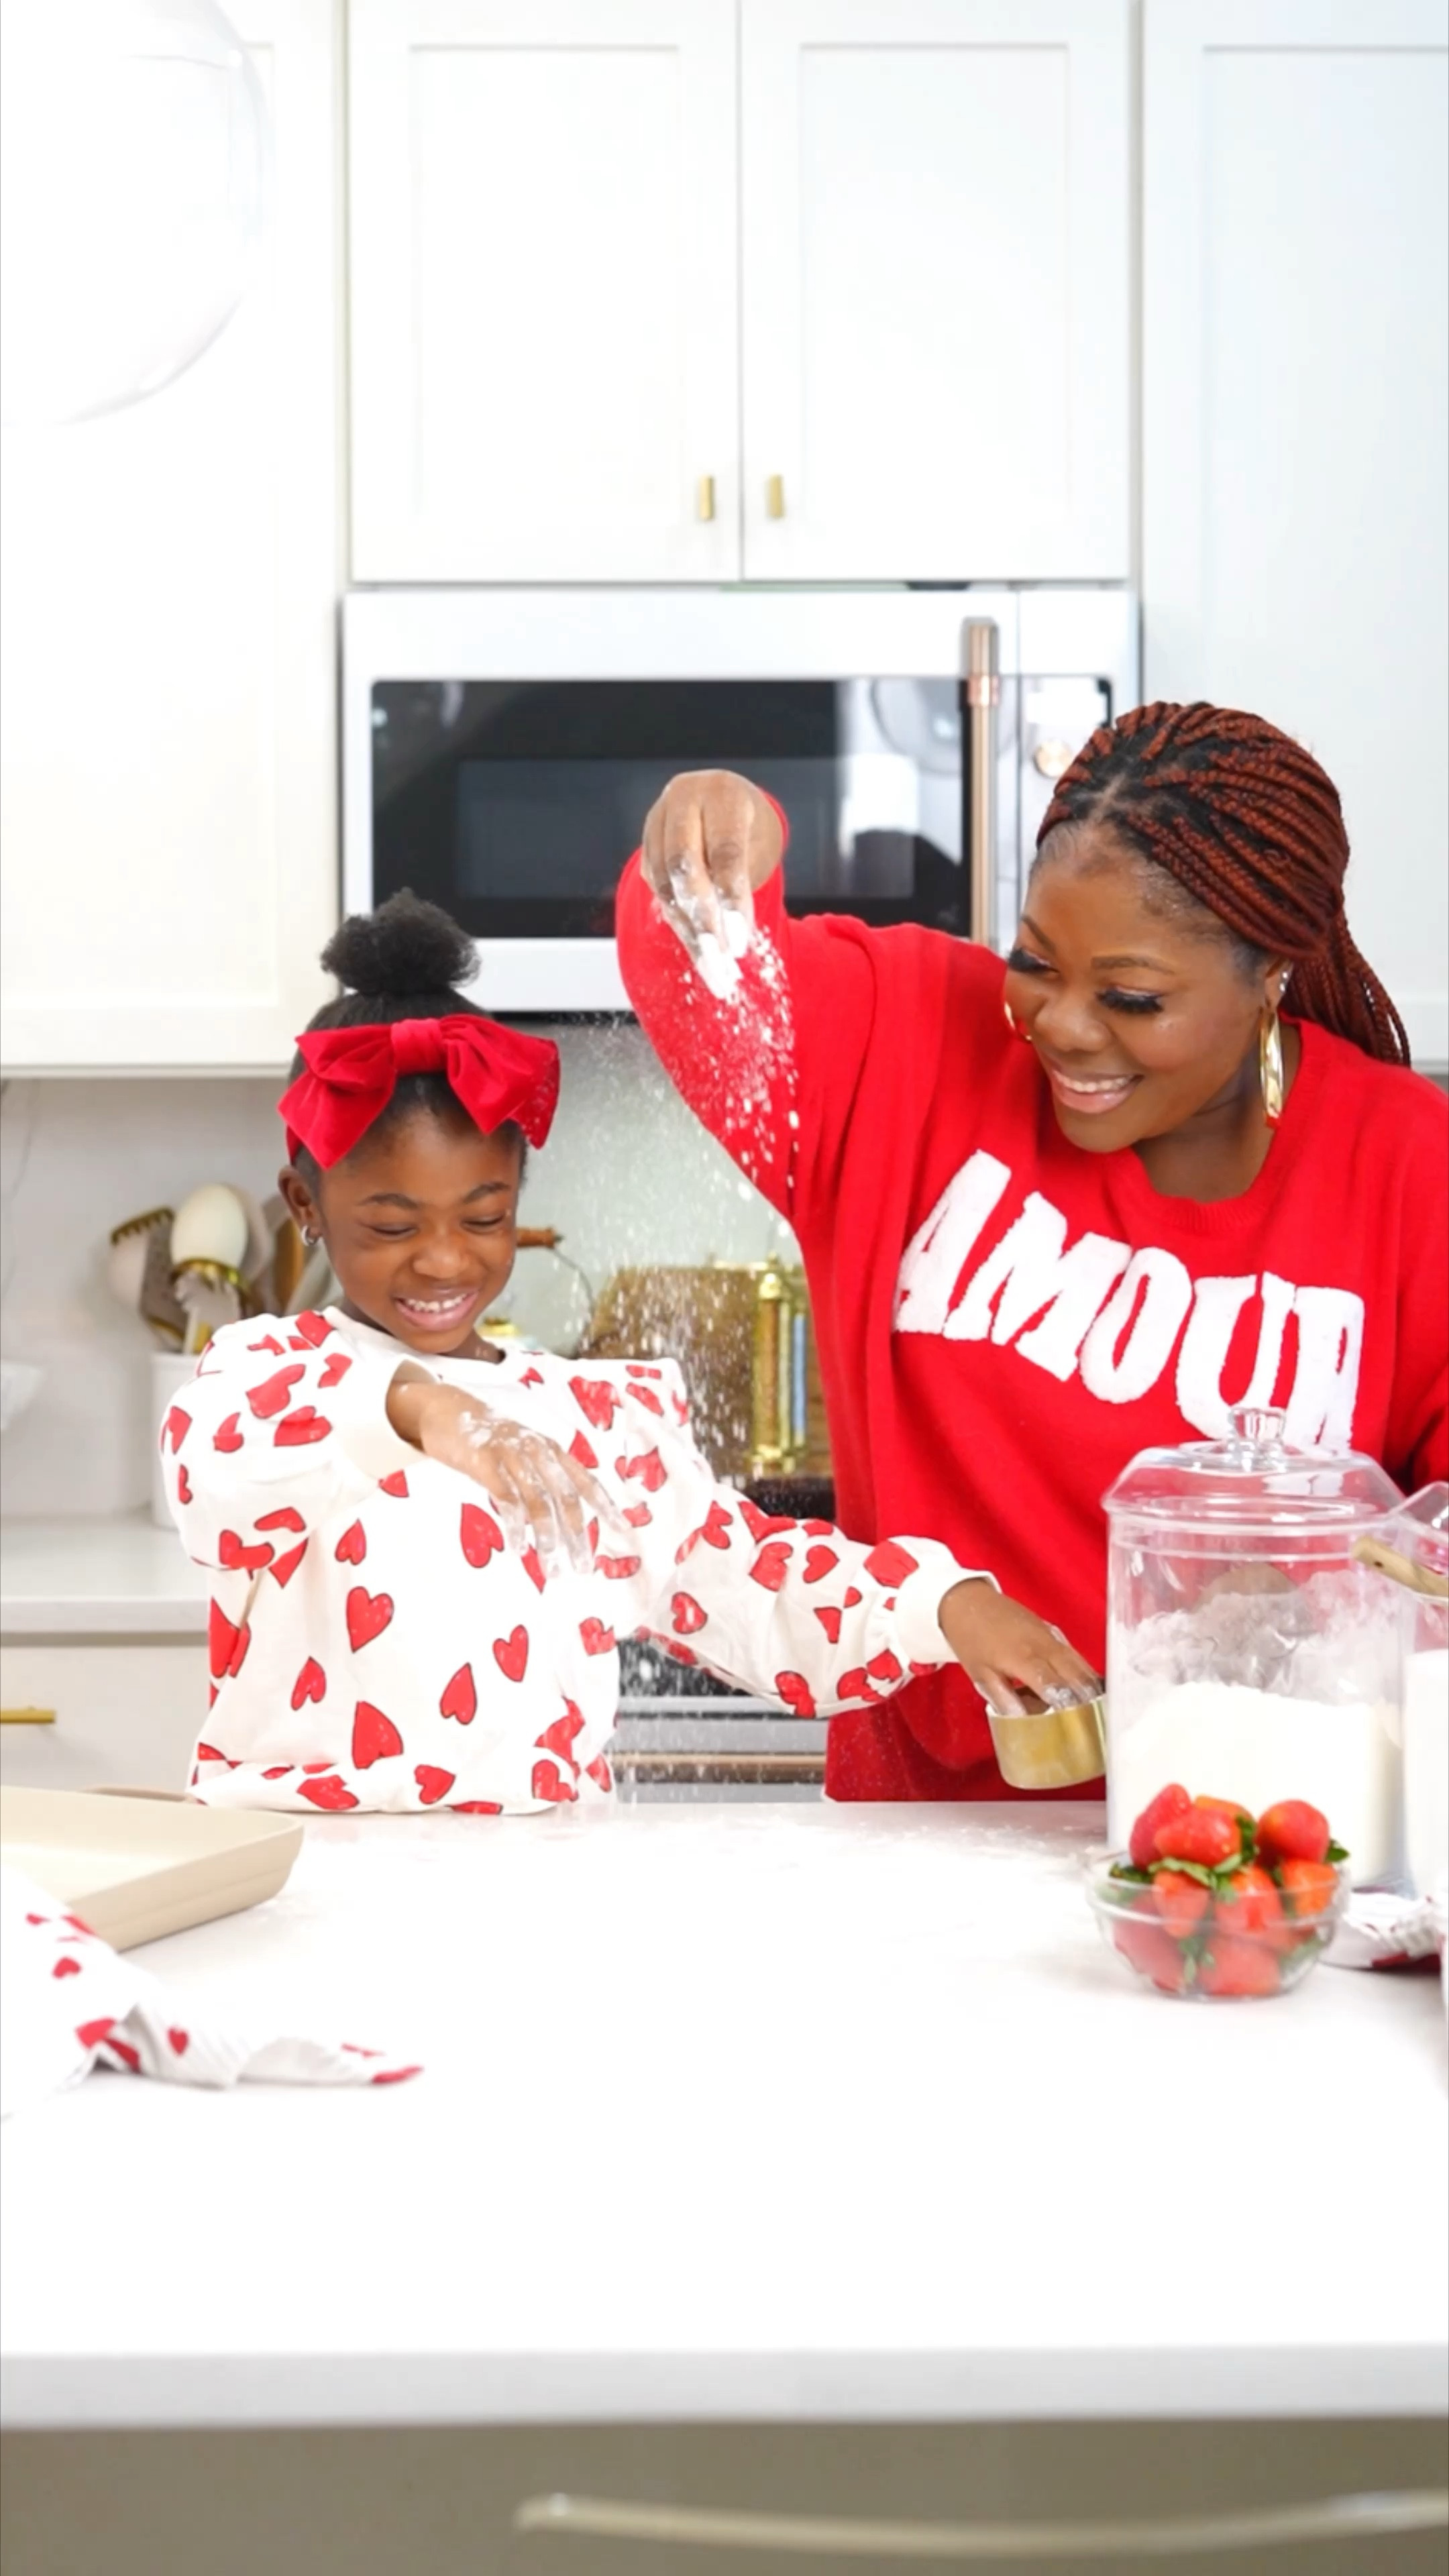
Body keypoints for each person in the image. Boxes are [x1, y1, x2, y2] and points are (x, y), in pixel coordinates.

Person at [616, 700, 1449, 1803]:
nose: (1059, 1023)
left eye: (1132, 997)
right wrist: (722, 828)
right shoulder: (911, 1046)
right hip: (925, 1875)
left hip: (1274, 1861)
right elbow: (703, 972)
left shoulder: (1407, 1168)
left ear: (1270, 979)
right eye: (1035, 962)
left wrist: (1327, 1602)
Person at [163, 896, 1095, 1815]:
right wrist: (432, 1412)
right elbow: (216, 1471)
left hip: (539, 1892)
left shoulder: (594, 1426)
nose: (444, 1258)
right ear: (305, 1205)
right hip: (312, 1886)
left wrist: (943, 1606)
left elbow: (749, 1585)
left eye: (483, 1217)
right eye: (392, 1224)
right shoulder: (261, 1382)